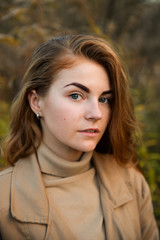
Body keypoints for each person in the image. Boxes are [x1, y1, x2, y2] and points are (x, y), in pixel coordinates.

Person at [0, 34, 159, 240]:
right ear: (36, 102)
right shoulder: (3, 200)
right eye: (76, 95)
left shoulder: (132, 183)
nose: (96, 113)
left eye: (104, 99)